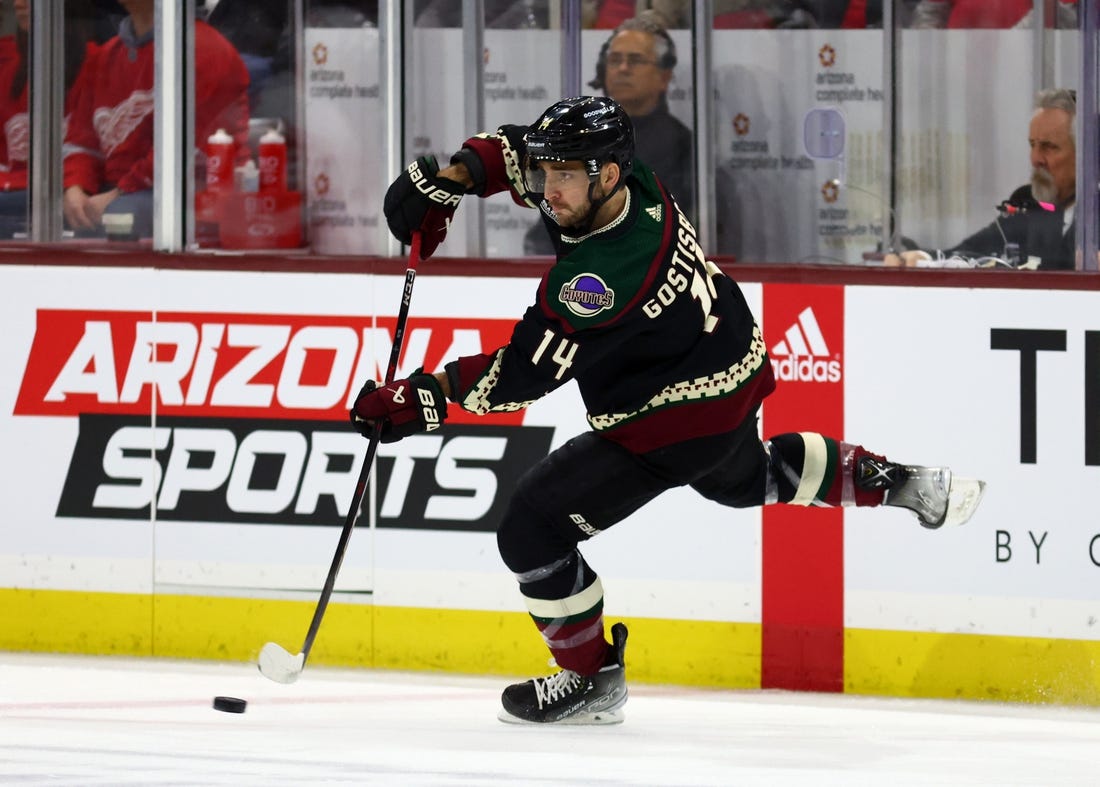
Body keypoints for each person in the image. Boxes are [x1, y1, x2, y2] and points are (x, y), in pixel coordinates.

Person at [358, 95, 985, 725]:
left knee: (531, 527)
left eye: (565, 176)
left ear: (606, 175)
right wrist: (452, 180)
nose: (549, 190)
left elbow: (522, 374)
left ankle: (589, 677)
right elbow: (519, 150)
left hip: (672, 418)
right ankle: (903, 483)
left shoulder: (603, 275)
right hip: (727, 368)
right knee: (747, 478)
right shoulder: (633, 180)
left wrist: (422, 399)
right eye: (550, 172)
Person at [61, 0, 250, 239]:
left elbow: (185, 151)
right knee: (54, 211)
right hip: (121, 190)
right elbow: (81, 139)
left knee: (120, 216)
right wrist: (76, 188)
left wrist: (117, 194)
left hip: (188, 193)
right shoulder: (104, 57)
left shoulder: (207, 49)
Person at [525, 14, 693, 254]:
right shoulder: (578, 137)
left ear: (664, 77)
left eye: (635, 60)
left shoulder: (683, 145)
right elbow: (548, 227)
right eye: (615, 60)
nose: (622, 68)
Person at [885, 88, 1077, 271]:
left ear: (1088, 153)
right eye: (1032, 145)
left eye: (1049, 147)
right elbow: (974, 252)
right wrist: (924, 260)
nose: (1035, 159)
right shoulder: (1029, 204)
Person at [0, 0, 99, 238]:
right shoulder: (10, 70)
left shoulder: (97, 61)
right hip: (12, 189)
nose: (19, 3)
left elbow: (90, 146)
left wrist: (75, 184)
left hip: (66, 190)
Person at [909, 0, 1077, 28]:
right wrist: (931, 50)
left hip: (1027, 63)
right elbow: (930, 14)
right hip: (958, 63)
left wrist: (1013, 44)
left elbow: (1059, 12)